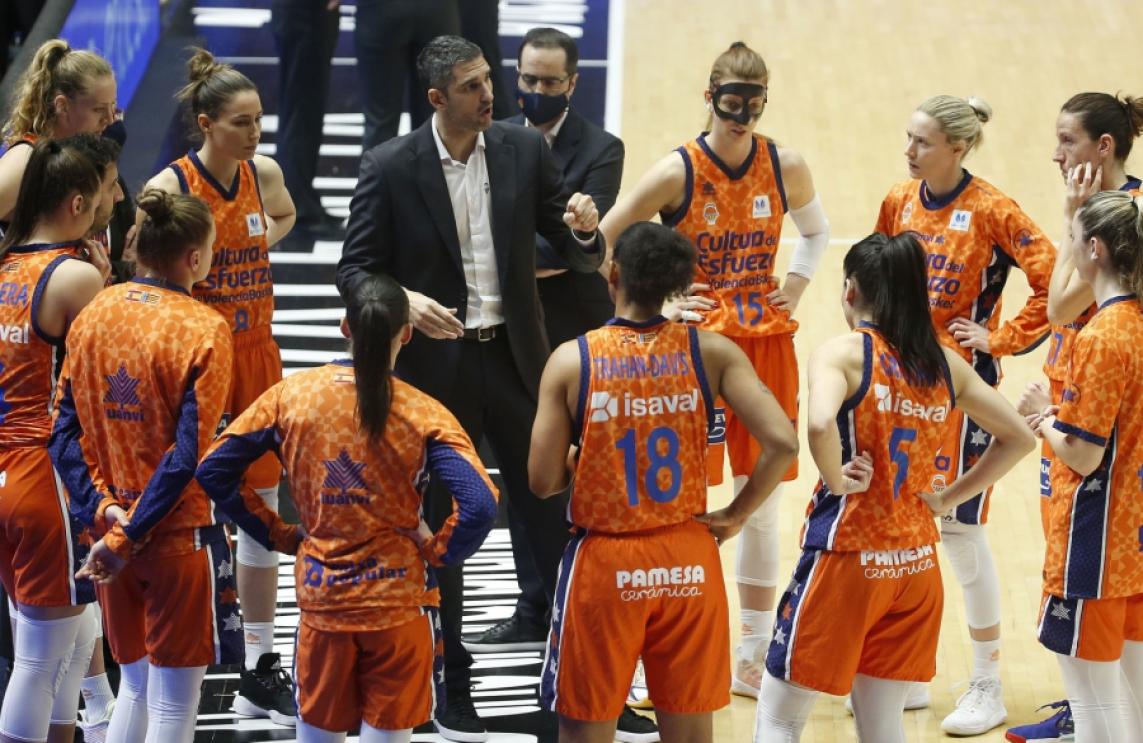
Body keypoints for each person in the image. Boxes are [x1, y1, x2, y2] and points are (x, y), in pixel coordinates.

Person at [336, 34, 604, 743]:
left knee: (555, 517)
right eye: (471, 86)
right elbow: (354, 271)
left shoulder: (522, 149)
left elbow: (573, 248)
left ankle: (583, 679)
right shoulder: (390, 166)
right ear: (436, 99)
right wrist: (401, 299)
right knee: (441, 529)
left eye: (488, 79)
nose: (490, 95)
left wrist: (584, 232)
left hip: (517, 363)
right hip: (436, 373)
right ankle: (451, 683)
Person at [597, 41, 830, 698]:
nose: (742, 116)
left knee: (761, 502)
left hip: (764, 343)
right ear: (710, 97)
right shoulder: (677, 170)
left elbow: (816, 231)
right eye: (732, 103)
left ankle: (751, 652)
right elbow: (604, 242)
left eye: (755, 104)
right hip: (691, 349)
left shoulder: (784, 164)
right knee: (675, 501)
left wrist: (796, 283)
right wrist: (661, 301)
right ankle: (650, 652)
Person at [753, 232, 1034, 743]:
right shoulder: (943, 363)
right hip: (916, 565)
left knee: (778, 717)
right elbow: (1019, 437)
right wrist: (948, 499)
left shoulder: (841, 354)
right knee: (883, 727)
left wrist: (836, 479)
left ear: (849, 290)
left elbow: (818, 424)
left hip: (847, 558)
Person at [196, 273, 500, 743]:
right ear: (406, 334)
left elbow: (214, 469)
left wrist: (281, 534)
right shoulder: (425, 412)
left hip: (324, 604)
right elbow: (480, 504)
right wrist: (439, 550)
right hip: (399, 605)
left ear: (344, 326)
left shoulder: (292, 396)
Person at [529, 221, 798, 743]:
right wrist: (736, 514)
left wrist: (586, 455)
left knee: (585, 732)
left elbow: (541, 481)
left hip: (606, 562)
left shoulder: (572, 359)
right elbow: (783, 442)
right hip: (687, 557)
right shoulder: (712, 352)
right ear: (679, 285)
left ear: (613, 275)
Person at [873, 94, 1056, 735]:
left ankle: (986, 684)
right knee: (903, 523)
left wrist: (999, 339)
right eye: (908, 137)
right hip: (899, 387)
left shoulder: (993, 209)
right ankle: (909, 672)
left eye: (921, 141)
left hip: (963, 394)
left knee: (959, 529)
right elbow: (875, 276)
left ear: (958, 146)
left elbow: (1054, 278)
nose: (908, 150)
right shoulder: (899, 200)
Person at [139, 47, 297, 726]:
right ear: (206, 123)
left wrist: (252, 248)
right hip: (199, 364)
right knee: (189, 510)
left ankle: (260, 662)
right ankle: (172, 654)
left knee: (262, 510)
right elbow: (141, 269)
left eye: (259, 119)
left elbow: (283, 215)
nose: (254, 132)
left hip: (258, 359)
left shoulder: (265, 174)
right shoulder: (170, 186)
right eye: (241, 121)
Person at [51, 188, 236, 743]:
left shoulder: (94, 313)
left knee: (134, 687)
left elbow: (62, 433)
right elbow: (188, 455)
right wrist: (129, 534)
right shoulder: (205, 329)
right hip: (177, 538)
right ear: (195, 258)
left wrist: (105, 512)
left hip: (108, 535)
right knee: (175, 705)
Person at [469, 22, 623, 647]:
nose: (537, 90)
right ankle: (536, 605)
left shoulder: (602, 149)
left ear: (573, 84)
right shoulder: (493, 137)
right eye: (528, 79)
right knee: (526, 472)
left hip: (577, 330)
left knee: (588, 468)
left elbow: (574, 252)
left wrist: (496, 256)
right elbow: (481, 233)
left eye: (550, 82)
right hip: (513, 334)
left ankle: (586, 599)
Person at [1007, 92, 1143, 743]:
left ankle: (1089, 710)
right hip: (1100, 442)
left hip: (1092, 452)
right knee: (1120, 667)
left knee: (1095, 665)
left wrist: (1042, 419)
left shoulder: (1116, 226)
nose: (1056, 153)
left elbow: (1059, 308)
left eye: (1067, 139)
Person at [0, 138, 108, 743]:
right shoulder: (74, 277)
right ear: (76, 203)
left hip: (5, 470)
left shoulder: (3, 262)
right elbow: (110, 375)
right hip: (41, 473)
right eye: (104, 194)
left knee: (64, 638)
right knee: (40, 660)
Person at [0, 39, 116, 228]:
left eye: (113, 106)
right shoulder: (25, 160)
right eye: (98, 110)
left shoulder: (72, 157)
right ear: (62, 106)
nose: (110, 119)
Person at [270, 0, 345, 237]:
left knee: (306, 110)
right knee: (301, 110)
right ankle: (296, 202)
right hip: (304, 15)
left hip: (308, 15)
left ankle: (301, 197)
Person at [354, 0, 460, 150]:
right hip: (438, 10)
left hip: (382, 10)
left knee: (380, 122)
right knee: (436, 120)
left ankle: (378, 165)